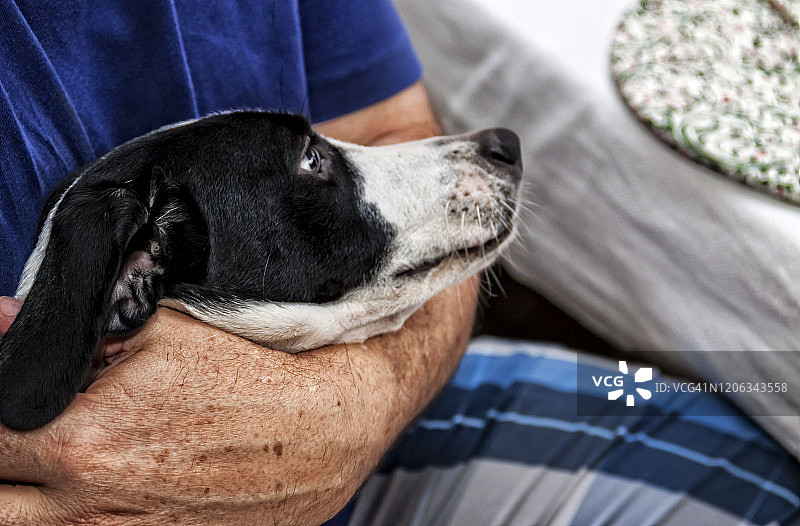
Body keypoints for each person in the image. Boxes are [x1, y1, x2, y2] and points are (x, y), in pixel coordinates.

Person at [2, 2, 799, 525]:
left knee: (765, 458)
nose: (478, 150)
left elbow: (389, 123)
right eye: (313, 164)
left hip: (387, 436)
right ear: (133, 274)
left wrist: (350, 412)